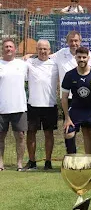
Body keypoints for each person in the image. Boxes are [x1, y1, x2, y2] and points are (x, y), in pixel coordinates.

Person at [61, 47, 91, 173]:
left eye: (84, 57)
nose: (81, 59)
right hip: (77, 109)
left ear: (88, 58)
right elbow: (64, 98)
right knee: (68, 131)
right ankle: (72, 163)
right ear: (75, 58)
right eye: (79, 57)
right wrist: (67, 118)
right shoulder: (69, 75)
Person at [24, 40, 59, 171]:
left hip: (50, 105)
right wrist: (28, 56)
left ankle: (48, 162)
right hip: (33, 105)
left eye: (45, 49)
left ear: (50, 50)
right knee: (31, 133)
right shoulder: (29, 63)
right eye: (40, 49)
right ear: (36, 50)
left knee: (48, 134)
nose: (43, 51)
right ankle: (32, 161)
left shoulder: (55, 63)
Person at [0, 38, 28, 171]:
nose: (8, 49)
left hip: (19, 106)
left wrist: (30, 55)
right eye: (6, 47)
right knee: (1, 137)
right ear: (2, 49)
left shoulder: (22, 64)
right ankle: (0, 163)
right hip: (1, 108)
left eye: (11, 46)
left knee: (21, 136)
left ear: (15, 49)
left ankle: (20, 164)